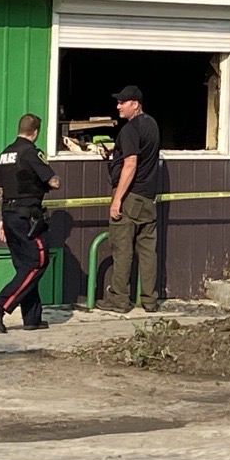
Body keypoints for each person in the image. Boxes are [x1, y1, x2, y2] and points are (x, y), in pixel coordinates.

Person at [0, 113, 60, 333]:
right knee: (37, 262)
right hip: (27, 217)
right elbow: (53, 182)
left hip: (8, 216)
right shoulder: (31, 152)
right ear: (36, 132)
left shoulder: (4, 154)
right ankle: (0, 304)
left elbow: (0, 191)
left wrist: (0, 220)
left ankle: (32, 318)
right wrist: (55, 179)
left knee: (24, 266)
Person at [97, 85, 161, 314]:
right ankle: (150, 300)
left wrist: (117, 200)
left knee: (122, 250)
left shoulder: (130, 129)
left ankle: (120, 300)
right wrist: (114, 154)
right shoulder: (152, 125)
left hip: (131, 197)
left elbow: (131, 163)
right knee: (147, 251)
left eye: (122, 102)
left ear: (135, 104)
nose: (118, 106)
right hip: (148, 198)